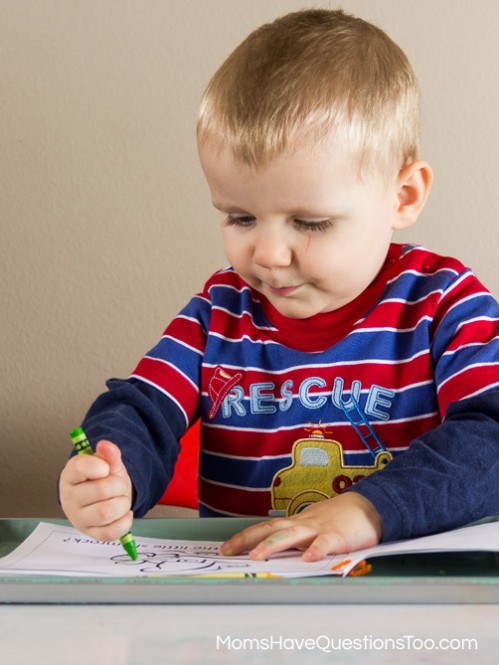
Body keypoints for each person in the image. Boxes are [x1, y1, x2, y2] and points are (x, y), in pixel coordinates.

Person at [59, 8, 499, 562]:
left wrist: (369, 509)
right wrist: (113, 474)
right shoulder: (220, 312)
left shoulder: (443, 303)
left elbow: (492, 435)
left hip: (411, 603)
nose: (266, 254)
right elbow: (141, 407)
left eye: (310, 222)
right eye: (240, 217)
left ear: (403, 196)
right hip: (246, 604)